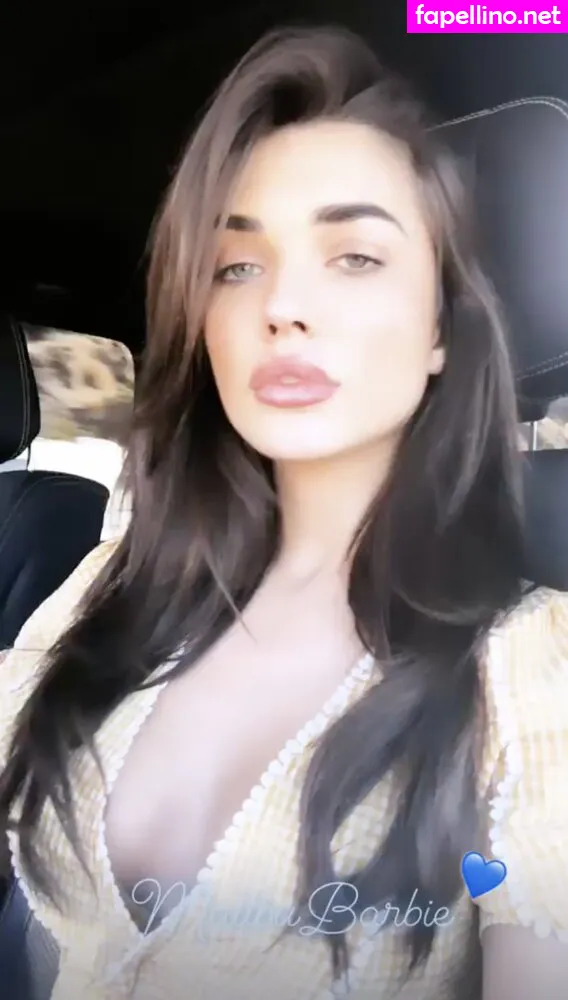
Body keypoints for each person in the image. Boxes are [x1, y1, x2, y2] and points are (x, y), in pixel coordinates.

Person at [1, 24, 567, 1000]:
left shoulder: (527, 669)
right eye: (237, 265)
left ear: (441, 325)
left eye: (354, 256)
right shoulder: (110, 589)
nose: (283, 305)